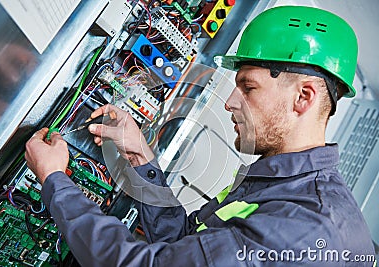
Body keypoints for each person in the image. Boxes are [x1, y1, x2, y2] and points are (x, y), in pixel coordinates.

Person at [25, 6, 375, 266]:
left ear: (304, 97)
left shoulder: (307, 229)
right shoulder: (276, 180)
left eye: (248, 88)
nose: (229, 103)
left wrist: (56, 180)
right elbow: (187, 244)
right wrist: (141, 160)